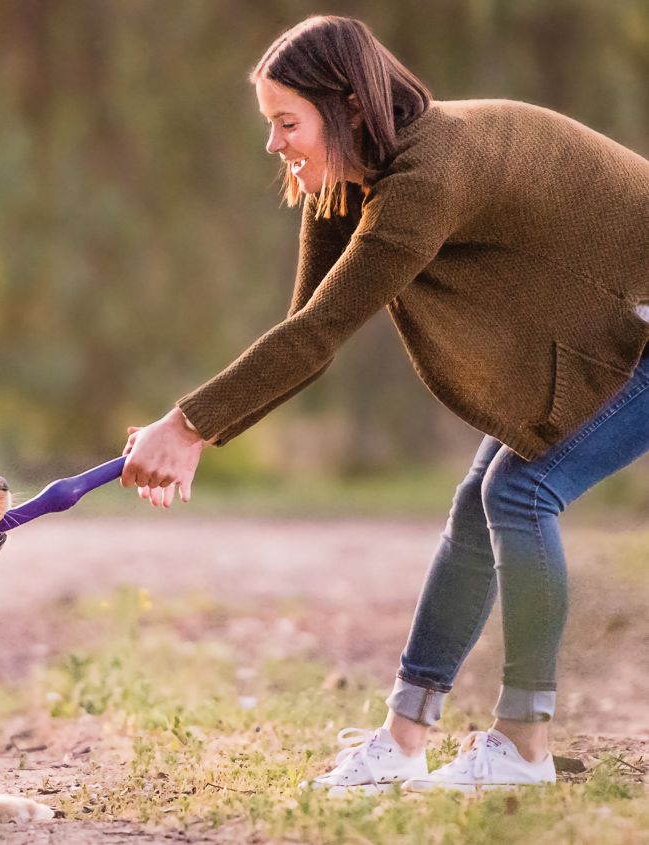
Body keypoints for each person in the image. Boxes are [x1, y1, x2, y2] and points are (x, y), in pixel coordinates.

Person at [120, 14, 649, 793]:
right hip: (618, 325)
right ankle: (402, 742)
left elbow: (321, 333)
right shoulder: (347, 181)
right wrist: (194, 431)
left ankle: (524, 749)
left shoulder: (425, 180)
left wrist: (187, 424)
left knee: (518, 492)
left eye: (285, 122)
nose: (273, 144)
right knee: (480, 503)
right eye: (270, 124)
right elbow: (304, 333)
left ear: (349, 111)